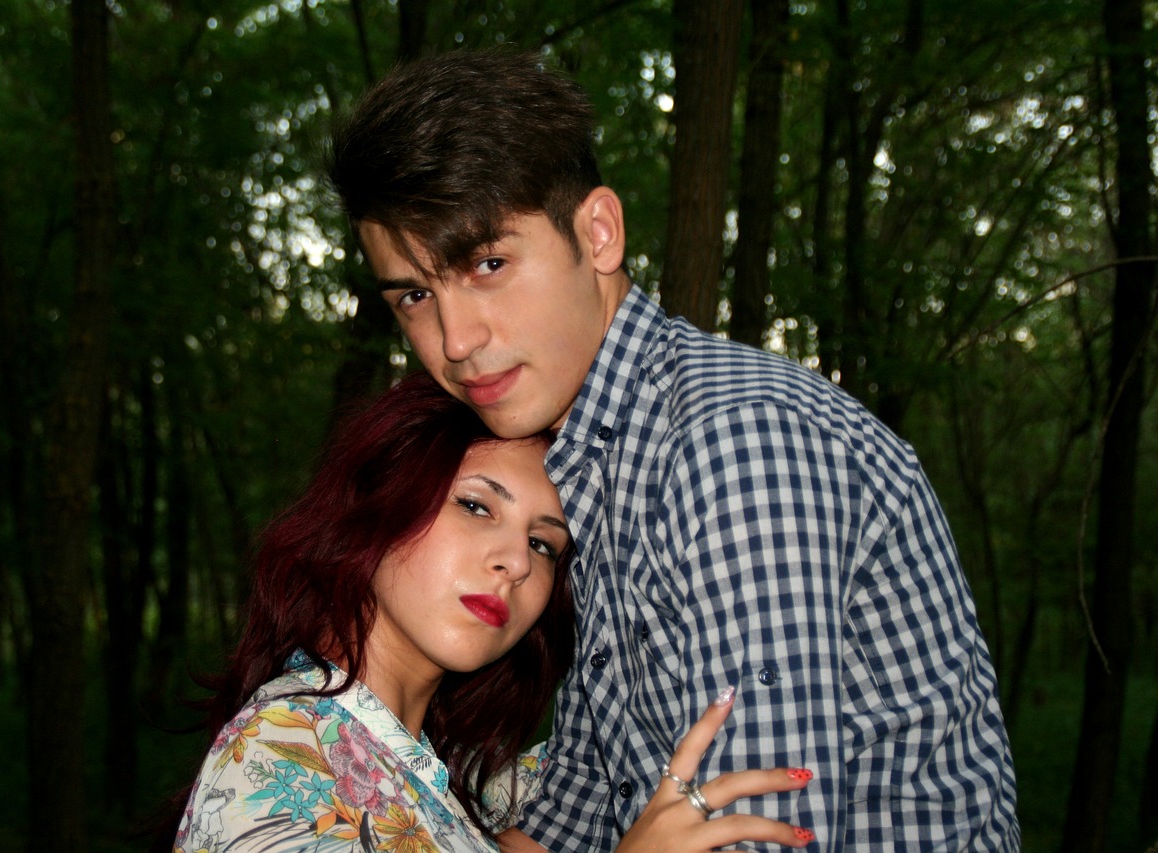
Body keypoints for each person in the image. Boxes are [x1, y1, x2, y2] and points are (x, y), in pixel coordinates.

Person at [327, 50, 1020, 851]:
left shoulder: (731, 446)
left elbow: (765, 836)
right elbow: (583, 800)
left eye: (488, 264)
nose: (455, 340)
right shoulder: (595, 462)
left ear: (598, 233)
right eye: (417, 295)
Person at [167, 373, 815, 852]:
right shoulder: (281, 756)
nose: (517, 562)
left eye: (544, 543)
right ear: (379, 505)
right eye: (477, 506)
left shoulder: (462, 783)